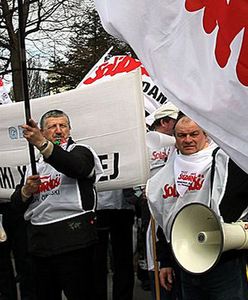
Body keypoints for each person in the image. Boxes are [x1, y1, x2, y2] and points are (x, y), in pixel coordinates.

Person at [147, 114, 248, 300]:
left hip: (224, 262)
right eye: (182, 135)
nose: (188, 140)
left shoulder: (227, 162)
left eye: (194, 134)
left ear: (205, 134)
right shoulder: (164, 174)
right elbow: (166, 221)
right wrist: (165, 261)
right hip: (186, 262)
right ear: (174, 138)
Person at [11, 109, 103, 300]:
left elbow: (76, 167)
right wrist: (26, 191)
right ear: (43, 132)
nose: (59, 131)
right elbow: (15, 206)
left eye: (63, 126)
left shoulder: (81, 151)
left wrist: (42, 144)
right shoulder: (32, 165)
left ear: (70, 130)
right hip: (40, 244)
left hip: (75, 240)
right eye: (52, 127)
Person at [145, 102, 181, 300]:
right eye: (176, 123)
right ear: (166, 122)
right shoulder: (147, 142)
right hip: (156, 204)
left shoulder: (179, 144)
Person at [93, 189, 135, 300]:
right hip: (95, 205)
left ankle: (123, 296)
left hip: (122, 204)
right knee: (96, 260)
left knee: (123, 258)